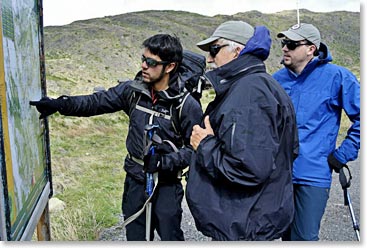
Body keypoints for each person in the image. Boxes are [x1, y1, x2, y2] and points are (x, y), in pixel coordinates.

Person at [30, 34, 203, 241]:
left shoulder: (186, 105)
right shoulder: (132, 92)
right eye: (143, 59)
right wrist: (60, 105)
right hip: (135, 182)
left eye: (151, 62)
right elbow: (95, 102)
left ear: (170, 66)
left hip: (166, 185)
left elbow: (196, 150)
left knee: (170, 237)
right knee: (136, 237)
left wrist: (165, 161)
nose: (143, 66)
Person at [185, 20, 298, 241]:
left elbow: (248, 169)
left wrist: (204, 144)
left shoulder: (250, 93)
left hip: (245, 226)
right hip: (248, 220)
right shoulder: (254, 85)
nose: (209, 58)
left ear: (237, 51)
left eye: (214, 49)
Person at [273, 23, 360, 241]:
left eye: (291, 44)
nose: (285, 49)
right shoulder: (275, 80)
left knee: (304, 238)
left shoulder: (338, 77)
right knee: (282, 236)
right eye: (284, 44)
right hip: (277, 175)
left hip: (313, 175)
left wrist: (342, 154)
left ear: (311, 49)